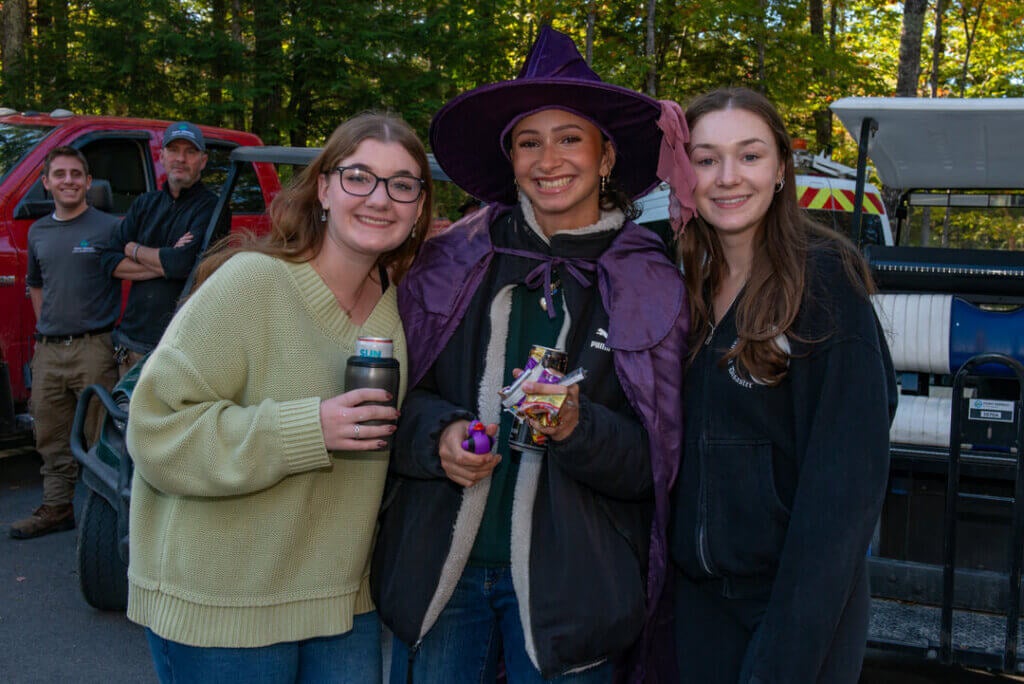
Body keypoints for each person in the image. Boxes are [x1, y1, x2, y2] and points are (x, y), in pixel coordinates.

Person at [371, 26, 695, 683]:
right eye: (529, 141)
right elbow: (385, 406)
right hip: (443, 584)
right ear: (510, 160)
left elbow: (654, 466)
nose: (549, 160)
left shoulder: (649, 284)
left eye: (569, 137)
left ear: (606, 157)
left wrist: (579, 429)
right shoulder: (447, 263)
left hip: (572, 598)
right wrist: (438, 437)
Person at [124, 112, 430, 683]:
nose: (380, 198)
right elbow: (154, 430)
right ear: (324, 188)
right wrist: (306, 429)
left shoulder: (401, 308)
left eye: (402, 184)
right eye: (359, 176)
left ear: (418, 208)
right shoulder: (252, 283)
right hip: (222, 609)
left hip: (342, 601)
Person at [668, 87, 896, 683]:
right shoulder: (680, 283)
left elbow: (844, 494)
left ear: (779, 171)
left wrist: (787, 654)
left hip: (797, 607)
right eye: (706, 157)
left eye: (749, 155)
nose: (727, 177)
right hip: (696, 605)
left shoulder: (822, 282)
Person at [10, 147, 120, 539]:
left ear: (89, 183)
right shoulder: (38, 231)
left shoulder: (110, 227)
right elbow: (35, 285)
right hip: (50, 350)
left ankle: (103, 519)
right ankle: (57, 509)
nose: (69, 180)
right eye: (60, 174)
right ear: (47, 182)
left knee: (99, 435)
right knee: (50, 433)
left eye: (76, 174)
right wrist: (48, 330)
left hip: (95, 347)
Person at [99, 121, 223, 375]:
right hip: (132, 342)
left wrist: (133, 248)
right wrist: (165, 261)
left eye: (190, 152)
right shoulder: (145, 204)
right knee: (127, 414)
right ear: (162, 156)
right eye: (174, 150)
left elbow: (183, 265)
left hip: (180, 348)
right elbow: (109, 261)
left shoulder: (213, 208)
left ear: (203, 160)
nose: (181, 158)